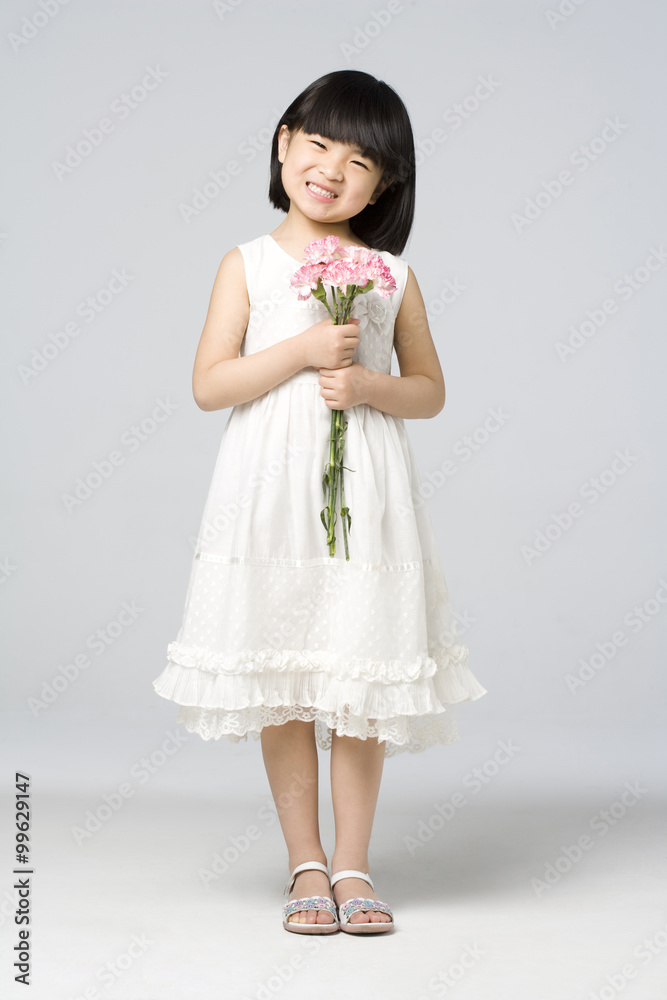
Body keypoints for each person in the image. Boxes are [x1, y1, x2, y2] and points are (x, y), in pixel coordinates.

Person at [152, 69, 487, 935]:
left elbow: (431, 392)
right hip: (266, 491)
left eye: (362, 159)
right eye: (318, 143)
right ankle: (305, 860)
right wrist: (302, 349)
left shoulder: (387, 274)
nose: (333, 168)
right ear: (282, 142)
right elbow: (209, 384)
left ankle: (354, 864)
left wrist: (370, 384)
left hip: (364, 493)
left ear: (387, 184)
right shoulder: (248, 263)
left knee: (356, 672)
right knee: (286, 672)